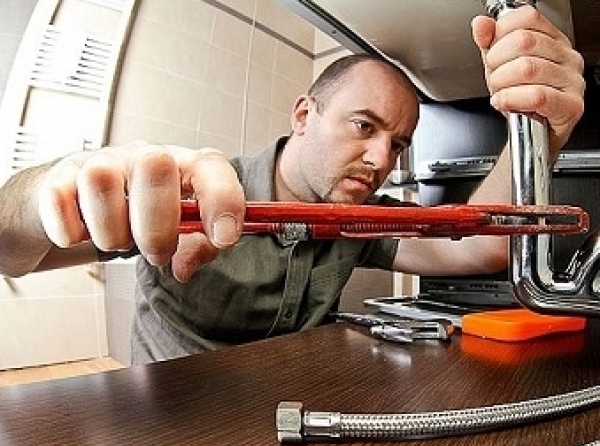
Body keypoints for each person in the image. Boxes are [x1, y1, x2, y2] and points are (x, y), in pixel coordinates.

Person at [0, 7, 585, 363]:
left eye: (398, 144)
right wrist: (49, 191)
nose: (380, 158)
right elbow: (9, 252)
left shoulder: (362, 218)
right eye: (364, 126)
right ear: (304, 114)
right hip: (171, 424)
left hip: (298, 417)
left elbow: (482, 245)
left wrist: (540, 129)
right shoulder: (189, 197)